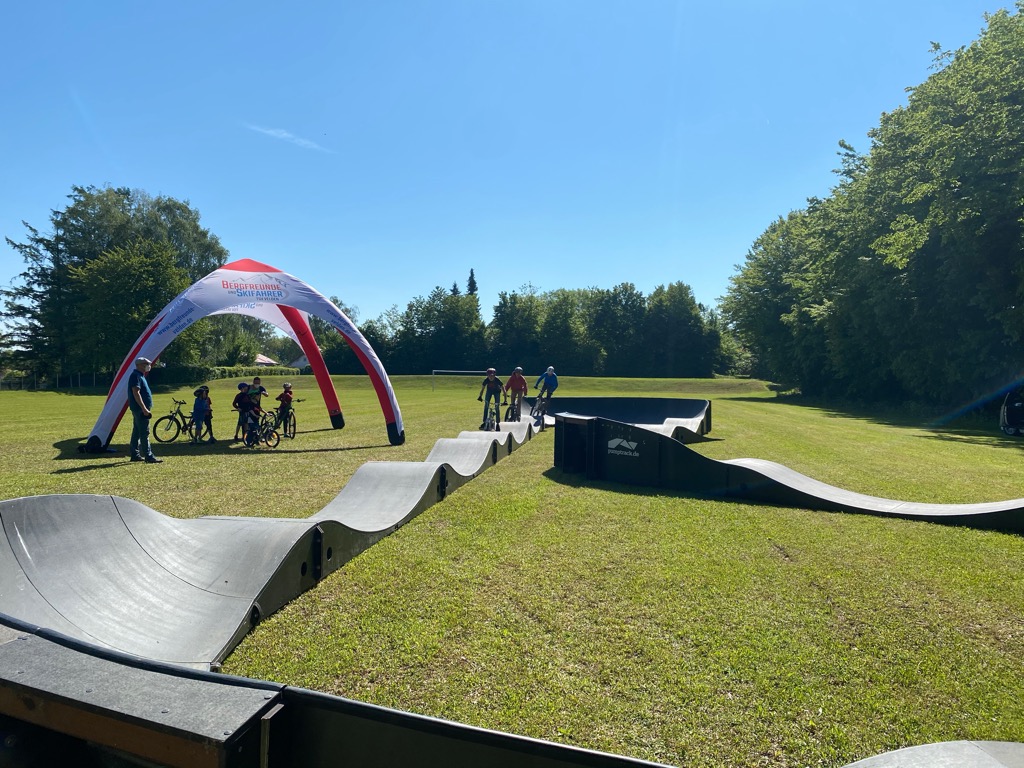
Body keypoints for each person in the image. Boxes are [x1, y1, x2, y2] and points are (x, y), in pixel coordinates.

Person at [127, 357, 162, 463]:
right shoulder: (135, 376)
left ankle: (135, 454)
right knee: (144, 432)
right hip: (140, 409)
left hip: (139, 409)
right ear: (139, 365)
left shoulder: (140, 376)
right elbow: (136, 392)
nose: (149, 366)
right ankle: (148, 456)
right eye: (146, 364)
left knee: (137, 431)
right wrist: (144, 408)